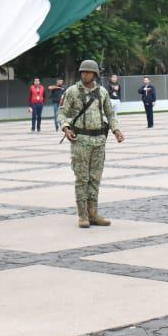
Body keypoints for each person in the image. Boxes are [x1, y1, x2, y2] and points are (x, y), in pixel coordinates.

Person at [58, 59, 124, 227]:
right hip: (80, 141)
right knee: (82, 178)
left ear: (95, 74)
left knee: (95, 178)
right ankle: (82, 215)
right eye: (82, 72)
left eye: (87, 72)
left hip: (99, 141)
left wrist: (116, 130)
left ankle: (93, 213)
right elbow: (62, 113)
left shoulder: (102, 92)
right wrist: (66, 129)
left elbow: (110, 114)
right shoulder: (72, 92)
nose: (84, 74)